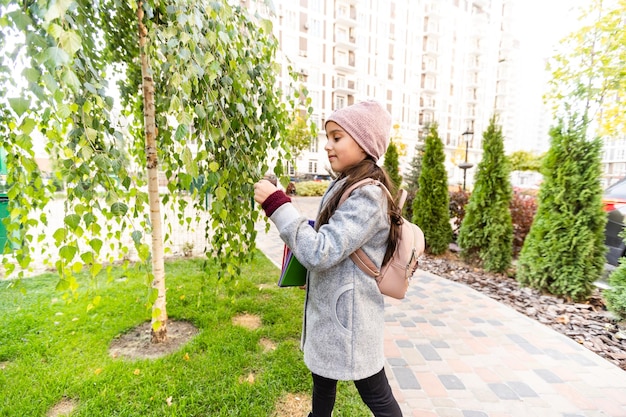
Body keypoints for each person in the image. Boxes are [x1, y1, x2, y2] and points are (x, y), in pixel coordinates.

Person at [253, 100, 403, 417]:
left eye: (337, 137)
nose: (327, 145)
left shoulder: (369, 194)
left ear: (365, 143)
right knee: (323, 385)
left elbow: (321, 251)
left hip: (351, 322)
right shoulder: (344, 184)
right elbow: (331, 240)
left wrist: (277, 205)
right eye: (328, 137)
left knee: (376, 395)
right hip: (333, 315)